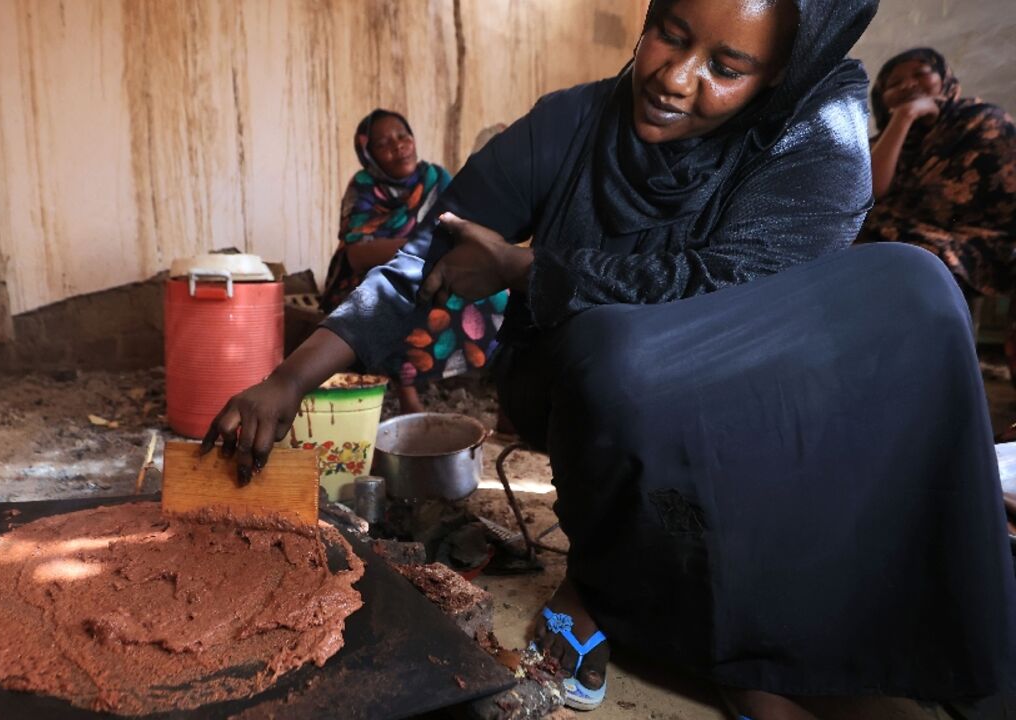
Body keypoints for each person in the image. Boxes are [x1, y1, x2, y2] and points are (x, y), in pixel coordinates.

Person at [205, 0, 1016, 717]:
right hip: (586, 381)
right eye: (671, 33)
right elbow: (422, 258)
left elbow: (729, 285)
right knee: (617, 345)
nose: (676, 77)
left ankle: (823, 643)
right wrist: (287, 381)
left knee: (916, 288)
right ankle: (608, 585)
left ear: (777, 75)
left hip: (748, 385)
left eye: (726, 67)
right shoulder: (570, 124)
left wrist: (531, 269)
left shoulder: (813, 131)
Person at [320, 109, 506, 414]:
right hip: (372, 274)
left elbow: (459, 227)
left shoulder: (436, 179)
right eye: (383, 144)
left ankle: (506, 398)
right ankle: (407, 395)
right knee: (392, 299)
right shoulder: (364, 187)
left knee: (500, 298)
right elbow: (357, 254)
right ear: (369, 154)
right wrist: (418, 247)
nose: (398, 146)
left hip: (435, 268)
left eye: (402, 136)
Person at [856, 47, 1016, 376]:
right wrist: (904, 118)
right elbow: (869, 191)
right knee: (842, 258)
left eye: (920, 73)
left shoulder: (982, 121)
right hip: (898, 236)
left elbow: (977, 199)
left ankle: (928, 375)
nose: (908, 84)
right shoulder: (880, 142)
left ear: (944, 78)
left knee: (909, 264)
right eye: (894, 83)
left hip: (975, 239)